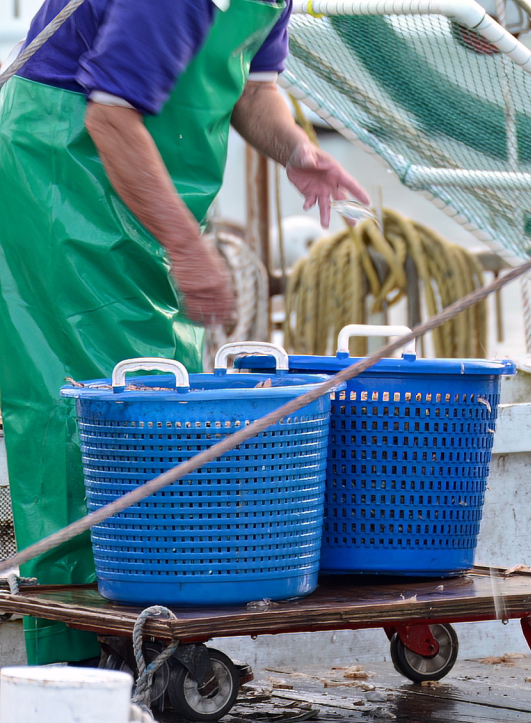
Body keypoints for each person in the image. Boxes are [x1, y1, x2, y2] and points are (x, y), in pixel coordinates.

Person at [0, 0, 368, 665]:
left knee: (164, 403)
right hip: (64, 175)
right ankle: (78, 659)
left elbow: (254, 89)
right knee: (84, 409)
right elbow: (110, 115)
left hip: (146, 195)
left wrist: (297, 150)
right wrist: (186, 246)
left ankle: (151, 633)